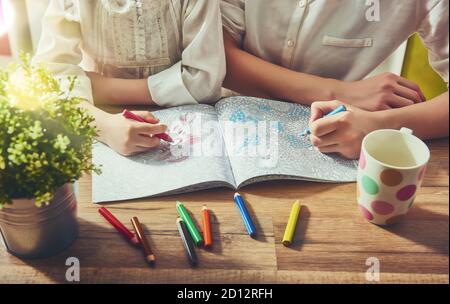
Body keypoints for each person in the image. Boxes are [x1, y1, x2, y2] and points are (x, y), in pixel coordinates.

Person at [34, 0, 225, 156]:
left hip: (185, 123)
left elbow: (203, 81)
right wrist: (104, 126)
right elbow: (47, 79)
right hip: (97, 120)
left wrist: (103, 89)